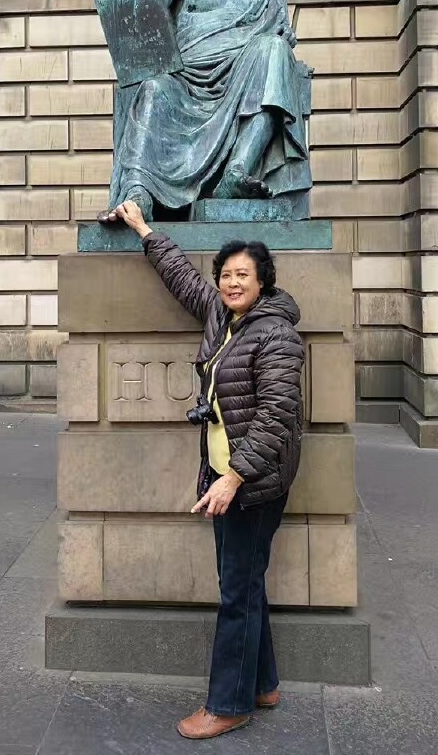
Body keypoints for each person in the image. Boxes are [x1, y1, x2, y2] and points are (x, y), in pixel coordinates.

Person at [114, 199, 305, 740]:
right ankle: (262, 683)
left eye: (243, 275)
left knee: (236, 594)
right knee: (245, 582)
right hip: (228, 477)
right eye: (226, 274)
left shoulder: (277, 335)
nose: (231, 282)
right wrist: (143, 229)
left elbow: (276, 415)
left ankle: (229, 704)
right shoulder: (224, 318)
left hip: (252, 485)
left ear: (263, 282)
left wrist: (233, 478)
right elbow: (182, 277)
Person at [99, 0, 311, 222]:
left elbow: (278, 30)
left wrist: (282, 40)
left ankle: (237, 171)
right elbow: (141, 26)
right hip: (186, 83)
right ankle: (138, 195)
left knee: (274, 50)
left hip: (244, 76)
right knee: (153, 88)